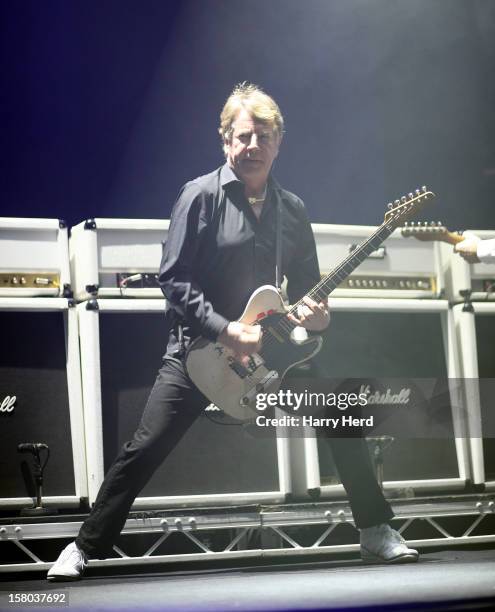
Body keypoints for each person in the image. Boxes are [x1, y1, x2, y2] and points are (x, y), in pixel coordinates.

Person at [47, 83, 418, 581]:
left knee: (340, 413)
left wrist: (318, 315)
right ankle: (85, 547)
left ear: (278, 141)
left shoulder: (293, 211)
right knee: (145, 446)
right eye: (242, 137)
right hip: (199, 352)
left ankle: (375, 531)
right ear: (225, 141)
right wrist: (225, 330)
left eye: (262, 137)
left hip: (269, 354)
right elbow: (174, 280)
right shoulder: (198, 197)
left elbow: (310, 291)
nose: (252, 147)